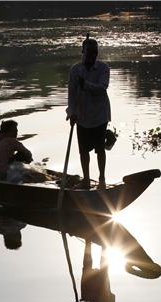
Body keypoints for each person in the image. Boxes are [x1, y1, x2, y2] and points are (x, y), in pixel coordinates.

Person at [66, 35, 111, 190]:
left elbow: (102, 88)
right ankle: (86, 180)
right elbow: (71, 93)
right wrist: (71, 112)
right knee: (83, 151)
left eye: (94, 53)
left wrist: (85, 84)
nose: (91, 56)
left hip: (99, 115)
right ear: (82, 52)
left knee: (100, 150)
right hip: (82, 115)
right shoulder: (75, 69)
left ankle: (102, 179)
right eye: (88, 53)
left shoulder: (104, 68)